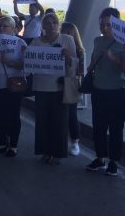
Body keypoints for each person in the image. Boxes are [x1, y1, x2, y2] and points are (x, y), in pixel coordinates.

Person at [86, 8, 125, 176]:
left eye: (109, 25)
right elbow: (92, 61)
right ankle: (100, 158)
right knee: (98, 127)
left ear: (117, 25)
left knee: (116, 129)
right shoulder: (97, 41)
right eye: (102, 24)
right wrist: (88, 70)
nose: (105, 28)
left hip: (118, 92)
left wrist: (115, 58)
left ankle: (114, 161)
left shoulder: (124, 43)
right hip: (99, 91)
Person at [30, 13, 76, 165]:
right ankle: (45, 151)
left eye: (54, 22)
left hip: (60, 87)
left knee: (59, 121)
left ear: (59, 24)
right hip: (41, 86)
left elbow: (74, 64)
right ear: (43, 26)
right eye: (48, 23)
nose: (51, 25)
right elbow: (28, 61)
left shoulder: (67, 40)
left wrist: (68, 58)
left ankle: (57, 153)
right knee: (42, 121)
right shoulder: (36, 42)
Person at [0, 16, 27, 157]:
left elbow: (26, 65)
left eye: (5, 26)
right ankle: (1, 143)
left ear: (13, 29)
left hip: (14, 85)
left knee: (13, 115)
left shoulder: (20, 43)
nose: (1, 28)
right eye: (0, 26)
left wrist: (10, 62)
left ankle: (13, 145)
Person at [60, 22, 85, 156]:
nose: (66, 35)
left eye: (69, 33)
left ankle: (75, 141)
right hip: (56, 83)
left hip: (71, 84)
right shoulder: (55, 46)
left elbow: (80, 70)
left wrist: (70, 59)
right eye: (63, 32)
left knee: (71, 115)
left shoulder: (80, 51)